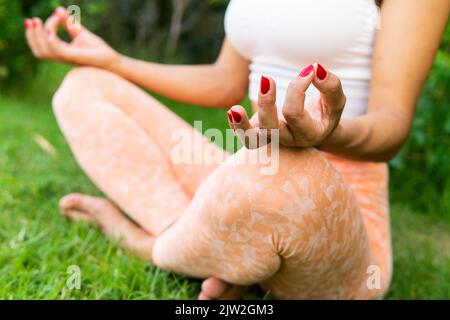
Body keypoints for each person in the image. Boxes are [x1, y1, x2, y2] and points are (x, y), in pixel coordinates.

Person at [24, 0, 449, 299]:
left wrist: (326, 135)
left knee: (277, 178)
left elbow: (393, 124)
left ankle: (150, 244)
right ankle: (223, 253)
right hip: (249, 170)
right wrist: (112, 60)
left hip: (335, 204)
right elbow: (226, 81)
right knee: (84, 88)